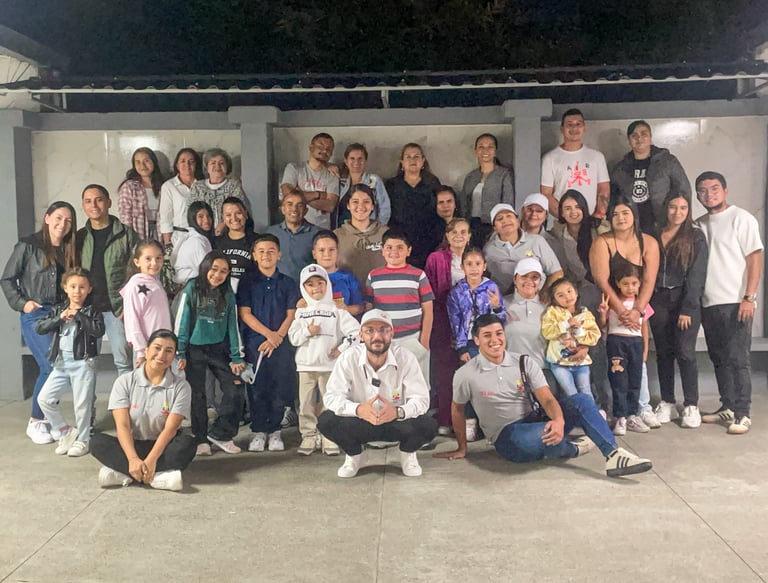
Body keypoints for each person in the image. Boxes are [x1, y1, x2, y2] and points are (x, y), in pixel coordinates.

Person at [435, 314, 653, 478]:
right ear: (476, 340)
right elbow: (457, 409)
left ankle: (613, 455)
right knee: (525, 440)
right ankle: (573, 448)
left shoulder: (523, 361)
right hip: (507, 435)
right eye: (487, 335)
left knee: (582, 401)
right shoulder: (465, 374)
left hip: (536, 419)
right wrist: (462, 447)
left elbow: (547, 399)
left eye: (499, 333)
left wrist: (558, 420)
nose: (495, 340)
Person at [318, 309, 438, 478]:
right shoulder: (348, 357)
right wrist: (358, 409)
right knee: (326, 421)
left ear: (392, 333)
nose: (377, 336)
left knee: (428, 425)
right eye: (370, 331)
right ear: (361, 335)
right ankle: (355, 456)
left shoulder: (406, 357)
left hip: (396, 421)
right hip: (360, 421)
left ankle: (408, 454)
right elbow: (331, 397)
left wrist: (398, 412)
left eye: (383, 330)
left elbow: (422, 399)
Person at [1, 201, 78, 444]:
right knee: (51, 366)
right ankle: (36, 421)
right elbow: (7, 279)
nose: (62, 224)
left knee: (62, 366)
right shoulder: (28, 245)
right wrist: (23, 304)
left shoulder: (69, 248)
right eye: (58, 218)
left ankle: (50, 421)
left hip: (61, 314)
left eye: (68, 220)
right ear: (47, 218)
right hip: (36, 314)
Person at [695, 171, 764, 434]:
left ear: (725, 190)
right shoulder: (699, 224)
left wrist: (749, 296)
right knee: (719, 358)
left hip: (736, 302)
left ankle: (743, 413)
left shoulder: (742, 218)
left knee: (738, 359)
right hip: (709, 302)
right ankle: (728, 405)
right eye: (702, 190)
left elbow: (754, 258)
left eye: (714, 188)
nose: (709, 194)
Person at [91, 329, 195, 491]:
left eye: (169, 351)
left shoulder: (181, 386)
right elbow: (123, 425)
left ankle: (125, 474)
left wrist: (152, 459)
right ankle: (157, 477)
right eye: (157, 348)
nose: (161, 355)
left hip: (163, 446)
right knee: (96, 442)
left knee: (187, 444)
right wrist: (132, 458)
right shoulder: (124, 382)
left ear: (174, 356)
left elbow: (171, 429)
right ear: (146, 351)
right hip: (132, 445)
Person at [589, 196, 660, 427]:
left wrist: (638, 310)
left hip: (638, 308)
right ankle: (616, 412)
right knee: (615, 365)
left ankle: (641, 408)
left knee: (639, 362)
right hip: (611, 308)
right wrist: (620, 310)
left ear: (634, 216)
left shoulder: (648, 242)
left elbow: (649, 280)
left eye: (625, 213)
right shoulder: (602, 242)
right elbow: (602, 279)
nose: (620, 218)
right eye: (615, 214)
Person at [546, 190, 611, 414]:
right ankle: (582, 406)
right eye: (567, 208)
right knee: (575, 343)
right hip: (575, 294)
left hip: (600, 292)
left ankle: (603, 404)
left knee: (597, 346)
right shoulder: (558, 232)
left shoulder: (598, 228)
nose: (573, 212)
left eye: (577, 207)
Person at [174, 251, 246, 455]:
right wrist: (180, 352)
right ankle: (201, 439)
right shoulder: (192, 288)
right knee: (198, 395)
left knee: (235, 387)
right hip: (193, 349)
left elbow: (232, 325)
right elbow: (182, 321)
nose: (218, 275)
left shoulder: (227, 293)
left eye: (224, 271)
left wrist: (236, 356)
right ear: (205, 267)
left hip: (218, 349)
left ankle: (221, 434)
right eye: (214, 269)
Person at [288, 264, 360, 456]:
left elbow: (356, 333)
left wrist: (341, 349)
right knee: (305, 404)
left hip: (330, 367)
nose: (316, 288)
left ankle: (330, 436)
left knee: (330, 403)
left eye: (320, 283)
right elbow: (293, 338)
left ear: (327, 284)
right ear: (304, 287)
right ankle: (309, 436)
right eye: (310, 284)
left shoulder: (337, 310)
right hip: (305, 366)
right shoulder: (301, 311)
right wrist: (307, 331)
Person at [236, 234, 299, 452]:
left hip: (281, 344)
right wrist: (268, 335)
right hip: (255, 344)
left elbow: (292, 313)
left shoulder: (288, 283)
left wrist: (277, 336)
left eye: (271, 251)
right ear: (254, 255)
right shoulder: (247, 282)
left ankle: (275, 431)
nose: (266, 255)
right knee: (257, 388)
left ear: (279, 254)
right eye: (261, 251)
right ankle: (258, 431)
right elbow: (245, 313)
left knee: (278, 387)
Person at [652, 194, 708, 428]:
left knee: (685, 352)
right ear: (666, 208)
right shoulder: (654, 233)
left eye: (683, 208)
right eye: (673, 207)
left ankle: (691, 404)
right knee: (664, 353)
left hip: (685, 300)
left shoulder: (695, 236)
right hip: (658, 299)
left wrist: (688, 308)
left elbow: (697, 275)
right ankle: (667, 401)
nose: (678, 212)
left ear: (688, 210)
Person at [35, 267, 104, 457]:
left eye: (82, 287)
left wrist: (79, 316)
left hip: (83, 363)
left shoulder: (92, 310)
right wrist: (59, 318)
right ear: (65, 288)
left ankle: (83, 440)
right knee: (44, 399)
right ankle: (66, 432)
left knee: (82, 405)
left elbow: (99, 330)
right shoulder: (59, 309)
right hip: (61, 364)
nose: (77, 291)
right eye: (72, 286)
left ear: (89, 289)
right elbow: (40, 327)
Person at [77, 184, 139, 378]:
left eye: (99, 200)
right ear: (83, 206)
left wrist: (128, 304)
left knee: (123, 362)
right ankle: (88, 400)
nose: (94, 205)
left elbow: (138, 271)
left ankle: (126, 398)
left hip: (117, 308)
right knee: (87, 363)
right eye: (88, 201)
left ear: (109, 202)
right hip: (88, 309)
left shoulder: (126, 234)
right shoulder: (80, 237)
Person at [365, 229, 435, 383]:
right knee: (387, 384)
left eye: (400, 247)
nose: (394, 252)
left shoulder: (418, 275)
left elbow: (428, 310)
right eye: (389, 247)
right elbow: (369, 310)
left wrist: (424, 341)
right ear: (382, 250)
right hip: (383, 340)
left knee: (416, 384)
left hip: (413, 339)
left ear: (408, 251)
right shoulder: (373, 276)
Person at [425, 218, 471, 433]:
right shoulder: (436, 258)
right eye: (454, 232)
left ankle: (469, 421)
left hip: (470, 323)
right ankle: (446, 419)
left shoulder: (475, 258)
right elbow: (429, 293)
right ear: (447, 235)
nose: (458, 236)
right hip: (443, 320)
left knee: (469, 371)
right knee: (445, 372)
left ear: (469, 236)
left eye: (463, 232)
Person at [598, 263, 654, 435]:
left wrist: (645, 350)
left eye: (634, 283)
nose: (630, 288)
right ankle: (620, 417)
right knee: (619, 381)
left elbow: (644, 328)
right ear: (617, 283)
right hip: (617, 343)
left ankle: (632, 415)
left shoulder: (641, 303)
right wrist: (603, 313)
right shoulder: (612, 302)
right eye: (625, 284)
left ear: (640, 283)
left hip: (636, 344)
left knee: (635, 382)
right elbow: (603, 326)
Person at [610, 120, 691, 236]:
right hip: (631, 228)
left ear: (650, 137)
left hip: (663, 226)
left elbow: (684, 191)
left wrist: (682, 223)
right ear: (629, 140)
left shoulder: (667, 161)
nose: (639, 139)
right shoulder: (620, 168)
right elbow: (614, 199)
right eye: (634, 136)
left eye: (644, 134)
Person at [540, 109, 610, 220]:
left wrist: (598, 215)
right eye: (569, 124)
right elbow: (546, 194)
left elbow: (604, 189)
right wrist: (566, 217)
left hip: (592, 220)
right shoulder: (550, 158)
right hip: (562, 221)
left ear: (584, 128)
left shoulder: (597, 157)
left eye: (578, 124)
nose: (574, 128)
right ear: (562, 129)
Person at [385, 143, 444, 269]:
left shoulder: (432, 183)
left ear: (423, 161)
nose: (412, 160)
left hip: (428, 241)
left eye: (416, 156)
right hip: (400, 242)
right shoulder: (392, 185)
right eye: (408, 157)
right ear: (402, 162)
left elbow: (440, 212)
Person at [541, 277, 600, 400]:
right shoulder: (552, 312)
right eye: (560, 295)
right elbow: (547, 332)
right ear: (554, 299)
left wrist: (579, 330)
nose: (567, 297)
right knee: (571, 394)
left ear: (576, 292)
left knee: (586, 392)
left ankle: (592, 412)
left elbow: (594, 336)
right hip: (559, 362)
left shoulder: (586, 314)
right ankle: (576, 413)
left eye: (569, 291)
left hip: (581, 362)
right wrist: (566, 324)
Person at [483, 203, 563, 295]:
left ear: (517, 221)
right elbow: (484, 278)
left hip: (537, 298)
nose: (505, 221)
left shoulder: (536, 241)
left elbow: (557, 273)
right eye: (500, 219)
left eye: (509, 216)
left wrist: (543, 295)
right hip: (505, 300)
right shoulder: (489, 249)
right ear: (495, 227)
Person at [447, 247, 506, 361]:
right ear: (462, 267)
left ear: (484, 266)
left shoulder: (491, 288)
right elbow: (455, 322)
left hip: (490, 340)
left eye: (478, 264)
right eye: (469, 264)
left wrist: (497, 308)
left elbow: (502, 319)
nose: (474, 268)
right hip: (469, 342)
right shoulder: (457, 292)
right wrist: (461, 347)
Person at [121, 240, 171, 368]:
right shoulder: (135, 286)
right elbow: (132, 320)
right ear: (137, 262)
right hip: (146, 349)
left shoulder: (156, 283)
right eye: (148, 259)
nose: (154, 263)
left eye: (158, 258)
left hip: (162, 344)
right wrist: (140, 351)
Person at [461, 133, 515, 245]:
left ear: (495, 151)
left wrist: (501, 225)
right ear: (476, 151)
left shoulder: (504, 174)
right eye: (481, 147)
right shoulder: (471, 176)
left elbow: (507, 203)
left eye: (490, 147)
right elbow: (464, 203)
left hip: (494, 226)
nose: (485, 150)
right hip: (472, 225)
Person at [280, 133, 340, 229]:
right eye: (320, 146)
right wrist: (318, 194)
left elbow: (330, 206)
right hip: (295, 228)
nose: (325, 150)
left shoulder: (333, 174)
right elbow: (288, 195)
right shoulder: (294, 168)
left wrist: (300, 195)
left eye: (329, 149)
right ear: (311, 147)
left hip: (322, 230)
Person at [334, 184, 388, 289]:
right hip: (348, 295)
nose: (361, 206)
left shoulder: (386, 234)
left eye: (366, 202)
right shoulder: (336, 236)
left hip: (380, 294)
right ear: (348, 205)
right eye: (355, 202)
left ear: (372, 206)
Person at [188, 148, 248, 236]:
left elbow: (239, 211)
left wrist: (224, 225)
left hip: (228, 234)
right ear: (207, 167)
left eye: (221, 163)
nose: (217, 166)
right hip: (201, 234)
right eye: (213, 163)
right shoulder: (197, 187)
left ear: (227, 167)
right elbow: (191, 212)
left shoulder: (234, 185)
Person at [266, 189, 320, 284]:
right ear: (283, 209)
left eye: (299, 206)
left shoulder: (317, 234)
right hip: (277, 288)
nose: (294, 209)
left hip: (306, 289)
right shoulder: (271, 233)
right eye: (290, 204)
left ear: (305, 211)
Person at [503, 258, 548, 369]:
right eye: (524, 276)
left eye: (534, 277)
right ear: (515, 279)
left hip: (543, 371)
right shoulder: (501, 305)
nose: (529, 281)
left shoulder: (549, 307)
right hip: (510, 371)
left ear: (540, 281)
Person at [335, 143, 391, 226]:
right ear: (346, 161)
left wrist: (378, 229)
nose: (356, 162)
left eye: (360, 158)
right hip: (343, 230)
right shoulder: (340, 182)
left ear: (365, 161)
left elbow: (384, 208)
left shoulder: (374, 180)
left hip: (368, 230)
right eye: (352, 158)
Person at [311, 231, 363, 316]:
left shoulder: (348, 278)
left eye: (331, 250)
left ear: (337, 252)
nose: (327, 254)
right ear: (314, 254)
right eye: (321, 250)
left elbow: (359, 307)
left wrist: (346, 309)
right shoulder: (307, 279)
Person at [117, 147, 165, 240]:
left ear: (154, 162)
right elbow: (125, 216)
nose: (142, 165)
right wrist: (129, 239)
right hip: (138, 234)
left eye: (146, 161)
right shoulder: (129, 186)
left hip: (161, 233)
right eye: (138, 162)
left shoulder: (164, 186)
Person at [159, 148, 204, 247]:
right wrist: (168, 244)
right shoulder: (169, 186)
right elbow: (166, 217)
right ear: (177, 165)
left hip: (202, 236)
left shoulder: (203, 185)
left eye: (191, 161)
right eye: (183, 161)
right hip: (179, 237)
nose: (187, 165)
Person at [214, 197, 258, 292]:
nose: (234, 218)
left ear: (246, 214)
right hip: (223, 295)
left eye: (238, 213)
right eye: (228, 215)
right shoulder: (216, 243)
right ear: (223, 218)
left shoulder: (258, 242)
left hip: (250, 294)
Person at [171, 201, 214, 286]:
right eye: (201, 216)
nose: (206, 220)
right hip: (190, 287)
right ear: (193, 219)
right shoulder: (197, 242)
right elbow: (207, 272)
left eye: (209, 216)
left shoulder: (194, 237)